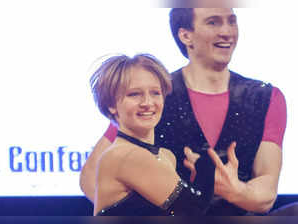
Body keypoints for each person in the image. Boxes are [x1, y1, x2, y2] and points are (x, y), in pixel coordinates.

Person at [80, 8, 287, 215]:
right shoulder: (151, 95)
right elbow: (91, 176)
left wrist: (234, 190)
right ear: (185, 35)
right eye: (213, 22)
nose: (226, 31)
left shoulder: (265, 97)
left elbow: (267, 191)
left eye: (231, 21)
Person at [88, 53, 216, 216]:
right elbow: (191, 210)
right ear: (111, 104)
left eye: (155, 93)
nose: (148, 103)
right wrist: (207, 164)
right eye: (134, 94)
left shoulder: (165, 155)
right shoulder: (125, 155)